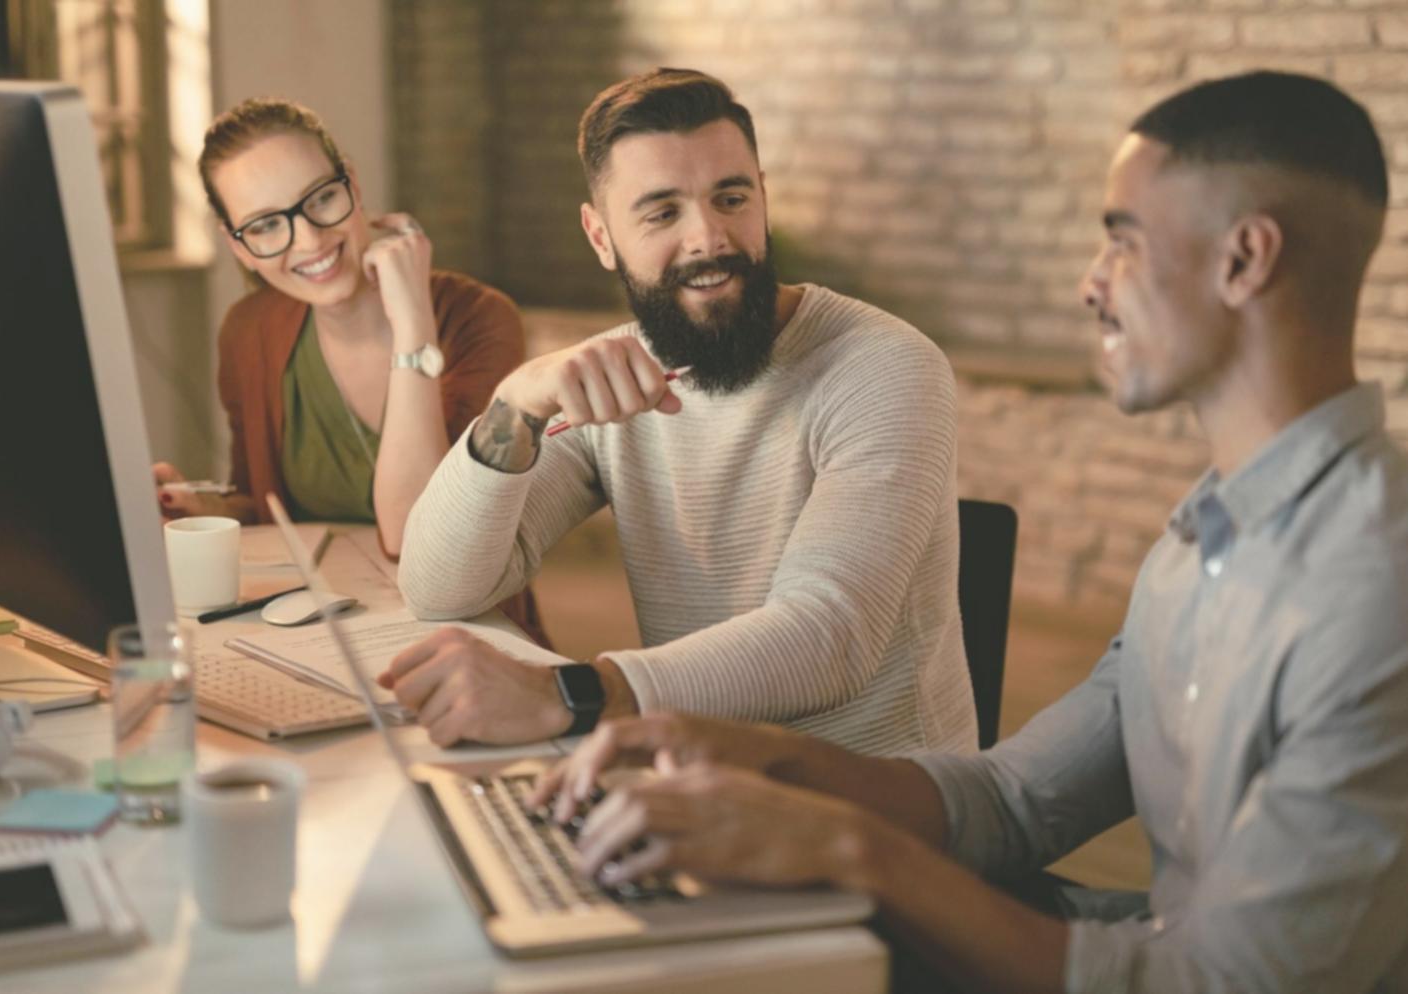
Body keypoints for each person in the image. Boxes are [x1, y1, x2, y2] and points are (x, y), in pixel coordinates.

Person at [527, 71, 1408, 993]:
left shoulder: (1371, 589)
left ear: (1243, 261)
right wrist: (754, 759)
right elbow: (1016, 799)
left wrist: (846, 846)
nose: (1090, 285)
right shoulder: (1206, 534)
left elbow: (1221, 982)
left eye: (1123, 243)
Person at [382, 69, 976, 754]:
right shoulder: (614, 378)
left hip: (883, 817)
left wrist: (564, 695)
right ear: (601, 237)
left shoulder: (886, 366)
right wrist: (514, 404)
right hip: (700, 786)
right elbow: (438, 587)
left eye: (730, 197)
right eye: (662, 212)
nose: (710, 238)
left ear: (762, 198)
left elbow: (829, 638)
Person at [152, 97, 544, 642]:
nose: (310, 240)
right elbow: (266, 506)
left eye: (321, 199)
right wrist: (200, 507)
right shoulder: (249, 330)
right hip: (327, 631)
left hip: (468, 635)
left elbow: (419, 539)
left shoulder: (479, 319)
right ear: (238, 246)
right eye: (266, 225)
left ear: (353, 187)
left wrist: (414, 330)